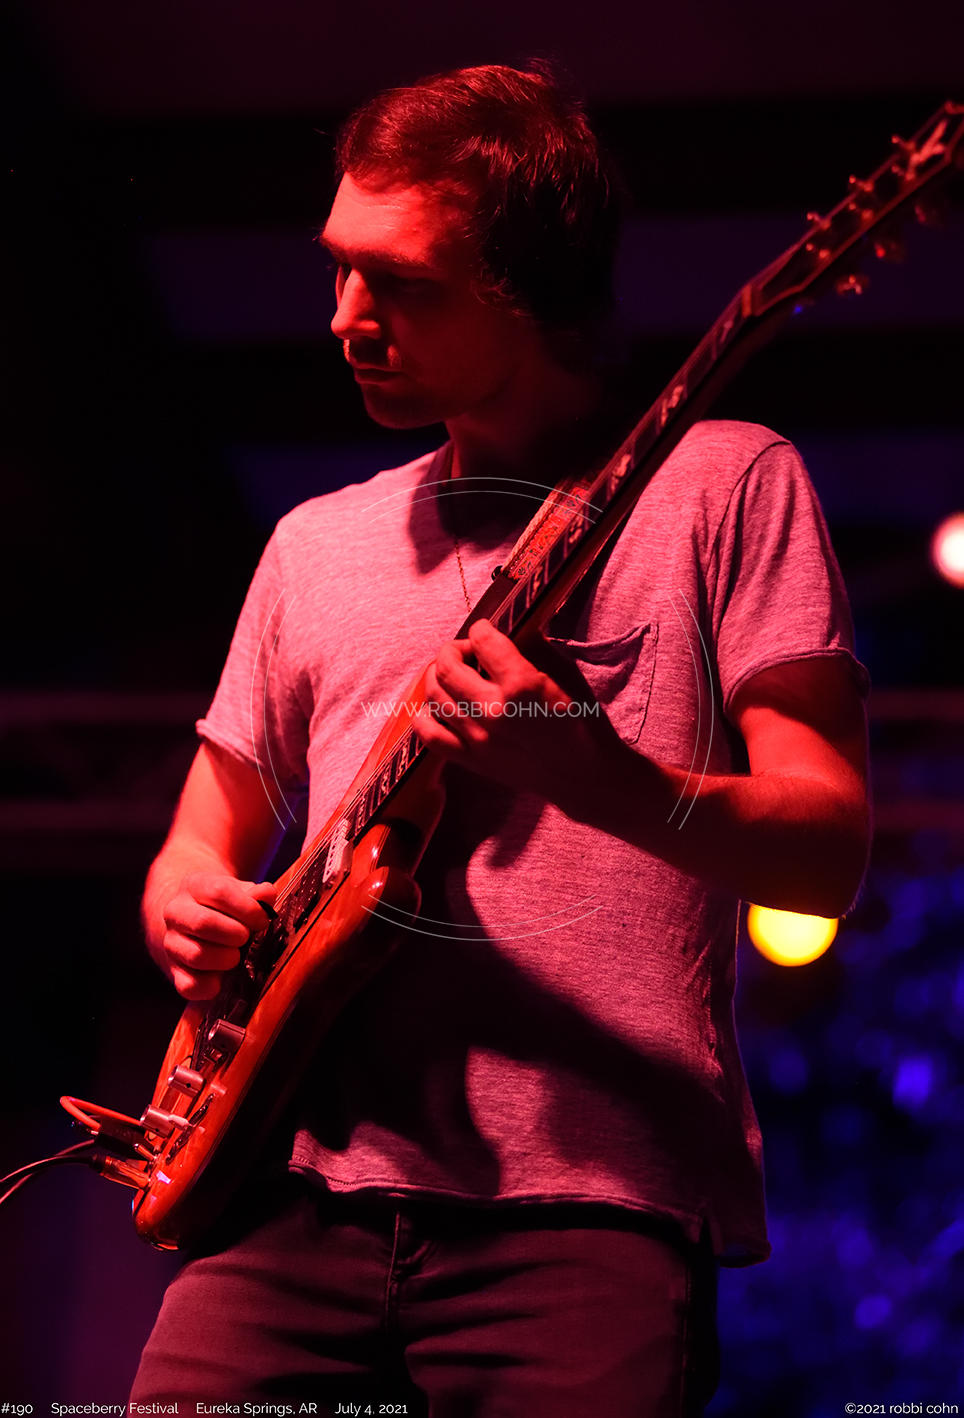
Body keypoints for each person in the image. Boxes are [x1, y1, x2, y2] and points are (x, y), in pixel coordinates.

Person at [130, 63, 870, 1416]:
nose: (342, 317)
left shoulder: (727, 481)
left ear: (530, 289)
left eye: (397, 282)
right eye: (337, 267)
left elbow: (827, 852)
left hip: (587, 1217)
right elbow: (197, 842)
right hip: (282, 1197)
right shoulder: (313, 545)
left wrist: (603, 779)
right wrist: (186, 907)